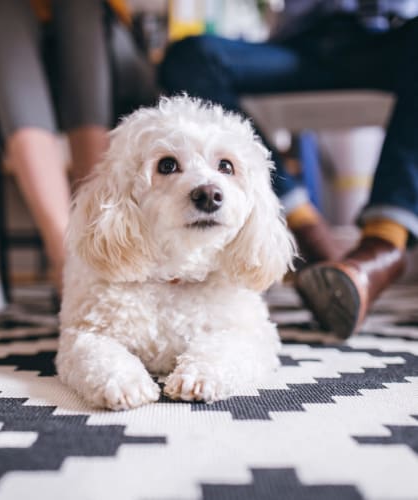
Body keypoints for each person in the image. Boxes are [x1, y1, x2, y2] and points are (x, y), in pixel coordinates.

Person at [159, 0, 418, 339]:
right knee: (190, 57)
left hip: (391, 38)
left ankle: (382, 250)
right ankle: (307, 233)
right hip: (300, 46)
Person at [0, 0, 157, 292]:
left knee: (79, 8)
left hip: (108, 46)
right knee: (1, 9)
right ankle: (64, 254)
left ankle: (97, 239)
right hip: (13, 40)